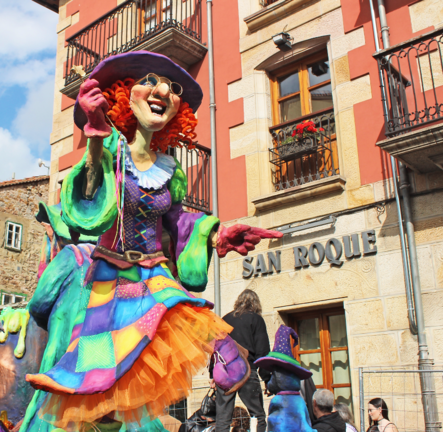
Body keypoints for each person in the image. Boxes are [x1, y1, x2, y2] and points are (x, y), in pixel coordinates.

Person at [21, 51, 282, 432]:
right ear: (124, 95)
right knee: (100, 370)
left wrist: (219, 234)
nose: (162, 91)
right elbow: (91, 193)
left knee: (184, 309)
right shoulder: (112, 149)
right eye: (148, 80)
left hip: (153, 271)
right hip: (109, 274)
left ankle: (229, 368)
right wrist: (94, 132)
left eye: (172, 88)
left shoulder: (170, 170)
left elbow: (177, 224)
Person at [215, 289, 270, 432]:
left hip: (225, 371)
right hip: (246, 369)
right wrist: (267, 379)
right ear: (256, 304)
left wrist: (212, 375)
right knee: (257, 415)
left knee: (223, 419)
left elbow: (216, 348)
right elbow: (262, 352)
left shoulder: (225, 319)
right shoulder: (256, 319)